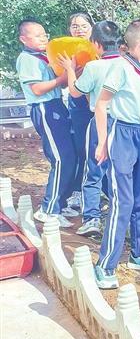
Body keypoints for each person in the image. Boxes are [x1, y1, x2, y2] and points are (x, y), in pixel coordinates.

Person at [92, 19, 140, 289]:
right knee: (123, 201)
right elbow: (102, 105)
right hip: (122, 134)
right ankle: (105, 265)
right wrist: (102, 142)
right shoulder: (120, 67)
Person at [61, 20, 122, 237]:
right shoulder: (128, 64)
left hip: (101, 122)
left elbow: (76, 92)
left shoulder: (94, 67)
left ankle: (91, 219)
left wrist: (69, 69)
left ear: (96, 44)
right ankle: (122, 218)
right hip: (125, 125)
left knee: (94, 171)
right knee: (120, 173)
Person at [15, 18, 78, 226]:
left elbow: (56, 87)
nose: (44, 38)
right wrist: (63, 78)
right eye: (38, 35)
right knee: (60, 158)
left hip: (56, 105)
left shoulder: (42, 57)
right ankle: (48, 209)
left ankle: (61, 202)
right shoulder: (27, 59)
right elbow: (37, 89)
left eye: (45, 34)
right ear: (24, 39)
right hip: (44, 108)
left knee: (70, 156)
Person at [66, 12, 95, 213]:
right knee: (80, 148)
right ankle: (77, 192)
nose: (79, 30)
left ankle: (96, 190)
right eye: (75, 26)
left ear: (91, 28)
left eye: (84, 26)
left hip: (99, 103)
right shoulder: (64, 50)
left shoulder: (98, 48)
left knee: (100, 149)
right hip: (78, 104)